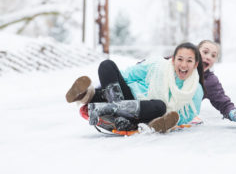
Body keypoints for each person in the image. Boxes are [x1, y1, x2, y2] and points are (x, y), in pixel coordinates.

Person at [66, 42, 205, 133]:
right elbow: (127, 75)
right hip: (126, 96)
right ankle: (95, 100)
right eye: (180, 59)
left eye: (189, 61)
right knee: (106, 65)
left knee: (160, 106)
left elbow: (186, 117)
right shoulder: (156, 65)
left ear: (195, 63)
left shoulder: (195, 89)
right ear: (173, 59)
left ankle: (92, 99)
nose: (183, 65)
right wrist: (106, 85)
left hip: (146, 111)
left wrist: (166, 120)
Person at [198, 40, 236, 123]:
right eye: (205, 52)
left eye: (213, 55)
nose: (209, 57)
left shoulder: (210, 81)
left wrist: (232, 111)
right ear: (195, 51)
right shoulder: (178, 65)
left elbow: (222, 101)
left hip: (183, 114)